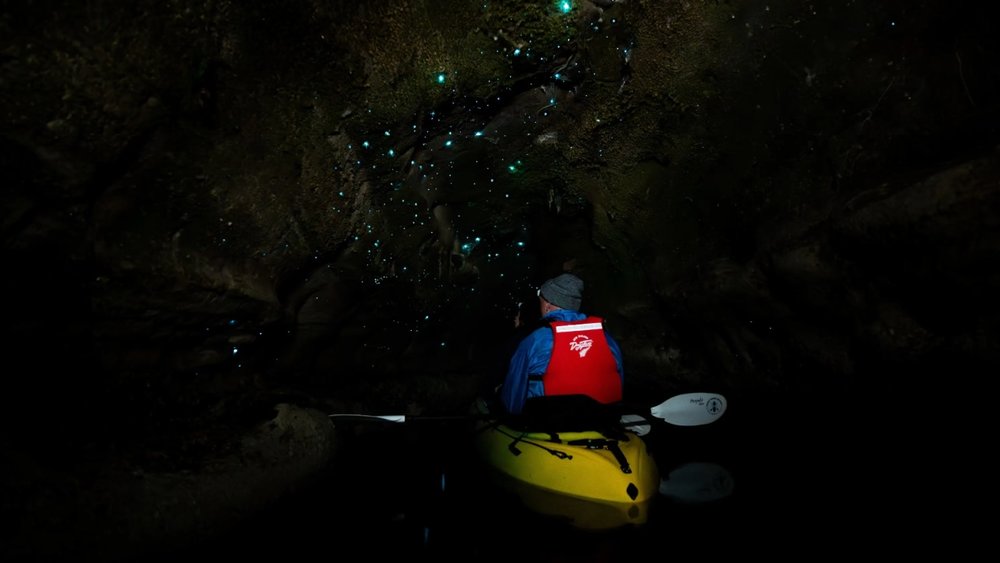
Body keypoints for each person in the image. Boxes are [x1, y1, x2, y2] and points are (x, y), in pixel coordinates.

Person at [498, 272, 625, 415]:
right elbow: (619, 381)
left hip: (549, 424)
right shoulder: (607, 338)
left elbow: (512, 397)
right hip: (601, 421)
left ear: (547, 305)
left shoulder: (535, 340)